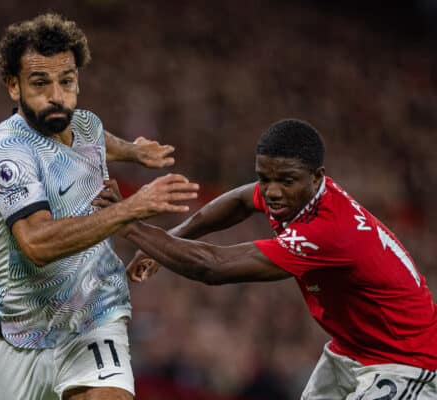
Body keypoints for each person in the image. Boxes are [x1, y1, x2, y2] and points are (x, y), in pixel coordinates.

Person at [109, 119, 437, 399]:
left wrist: (127, 223)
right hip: (352, 349)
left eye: (286, 181)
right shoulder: (298, 196)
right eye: (264, 178)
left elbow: (213, 267)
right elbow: (239, 201)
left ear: (317, 177)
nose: (272, 192)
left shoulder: (329, 231)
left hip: (405, 361)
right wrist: (173, 237)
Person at [0, 13, 199, 400]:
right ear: (13, 86)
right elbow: (37, 244)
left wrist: (133, 150)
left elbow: (97, 138)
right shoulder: (9, 153)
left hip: (93, 317)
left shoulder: (84, 124)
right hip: (19, 335)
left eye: (66, 81)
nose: (56, 96)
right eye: (40, 83)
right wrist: (130, 209)